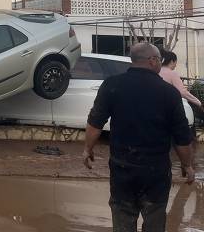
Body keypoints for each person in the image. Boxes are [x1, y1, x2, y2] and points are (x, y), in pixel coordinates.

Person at [83, 42, 194, 231]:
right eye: (159, 59)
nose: (160, 63)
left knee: (123, 215)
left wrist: (88, 149)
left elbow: (95, 122)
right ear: (152, 61)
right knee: (155, 217)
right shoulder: (169, 93)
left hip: (122, 168)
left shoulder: (112, 85)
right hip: (156, 171)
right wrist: (187, 165)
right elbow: (181, 137)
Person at [160, 48, 201, 171]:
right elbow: (182, 92)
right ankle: (186, 166)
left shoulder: (156, 71)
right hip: (169, 111)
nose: (176, 65)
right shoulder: (171, 73)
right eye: (175, 62)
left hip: (155, 111)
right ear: (171, 61)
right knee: (182, 137)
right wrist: (198, 102)